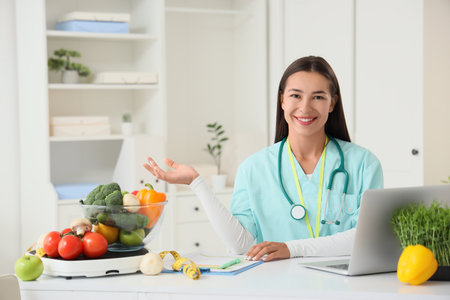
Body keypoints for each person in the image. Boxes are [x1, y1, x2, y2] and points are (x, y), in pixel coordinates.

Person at [144, 56, 383, 262]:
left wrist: (292, 249)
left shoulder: (363, 164)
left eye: (318, 97)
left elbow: (368, 236)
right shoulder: (254, 168)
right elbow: (242, 246)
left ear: (333, 103)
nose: (305, 107)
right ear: (282, 100)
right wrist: (196, 183)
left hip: (341, 288)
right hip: (278, 286)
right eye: (295, 95)